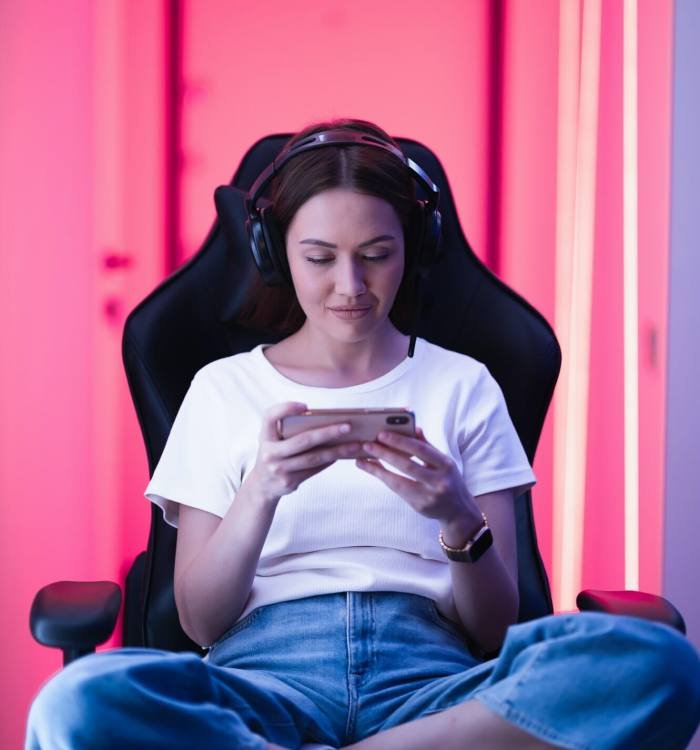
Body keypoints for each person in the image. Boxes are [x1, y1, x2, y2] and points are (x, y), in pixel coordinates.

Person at [25, 118, 700, 750]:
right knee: (76, 702)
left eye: (376, 254)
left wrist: (458, 518)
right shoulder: (222, 391)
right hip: (261, 683)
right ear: (275, 253)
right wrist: (262, 490)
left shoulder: (464, 386)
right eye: (320, 258)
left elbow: (496, 632)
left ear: (412, 248)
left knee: (660, 664)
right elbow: (201, 624)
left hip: (436, 685)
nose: (351, 286)